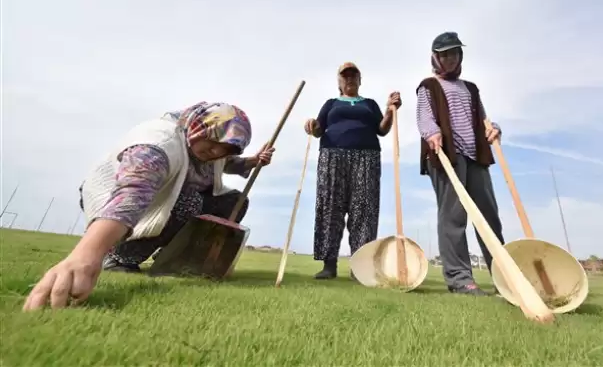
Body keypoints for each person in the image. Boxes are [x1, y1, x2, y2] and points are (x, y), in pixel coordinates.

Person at [23, 102, 275, 311]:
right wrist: (87, 255)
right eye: (214, 143)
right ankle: (121, 254)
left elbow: (224, 163)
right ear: (201, 129)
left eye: (226, 149)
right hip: (117, 200)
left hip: (166, 200)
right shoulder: (158, 144)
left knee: (233, 201)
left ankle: (181, 260)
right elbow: (132, 195)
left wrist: (252, 162)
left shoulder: (209, 148)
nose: (216, 152)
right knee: (189, 201)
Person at [415, 32, 505, 296]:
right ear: (435, 58)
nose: (449, 59)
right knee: (454, 217)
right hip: (446, 155)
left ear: (460, 56)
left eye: (453, 53)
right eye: (443, 54)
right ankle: (460, 278)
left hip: (476, 155)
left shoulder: (471, 88)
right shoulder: (428, 86)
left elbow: (484, 120)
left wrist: (493, 129)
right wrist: (432, 133)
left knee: (489, 217)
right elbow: (424, 118)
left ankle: (504, 275)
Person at [304, 62, 401, 279]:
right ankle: (329, 266)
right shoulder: (331, 104)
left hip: (367, 158)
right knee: (331, 207)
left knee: (364, 210)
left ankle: (360, 266)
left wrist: (390, 111)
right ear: (339, 81)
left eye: (353, 76)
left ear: (359, 80)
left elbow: (382, 129)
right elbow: (319, 130)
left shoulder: (369, 104)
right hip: (332, 156)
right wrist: (311, 125)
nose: (349, 79)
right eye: (345, 76)